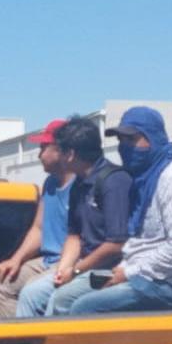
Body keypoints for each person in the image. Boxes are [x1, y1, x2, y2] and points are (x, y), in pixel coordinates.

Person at [68, 106, 172, 315]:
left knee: (83, 307)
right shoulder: (143, 181)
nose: (124, 147)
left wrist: (128, 272)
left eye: (132, 140)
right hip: (142, 276)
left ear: (152, 138)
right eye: (121, 141)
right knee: (65, 297)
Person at [16, 116, 131, 316]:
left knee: (60, 300)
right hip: (83, 267)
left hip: (109, 269)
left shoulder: (114, 181)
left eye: (58, 150)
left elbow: (116, 244)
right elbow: (74, 235)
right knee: (31, 295)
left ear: (69, 154)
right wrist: (63, 269)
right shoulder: (79, 184)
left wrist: (77, 270)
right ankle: (24, 343)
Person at [0, 119, 75, 318]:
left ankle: (35, 343)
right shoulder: (50, 183)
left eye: (44, 147)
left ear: (62, 151)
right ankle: (13, 339)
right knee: (0, 281)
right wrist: (15, 260)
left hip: (69, 263)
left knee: (32, 291)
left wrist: (67, 267)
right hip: (45, 261)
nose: (39, 154)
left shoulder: (82, 186)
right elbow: (38, 228)